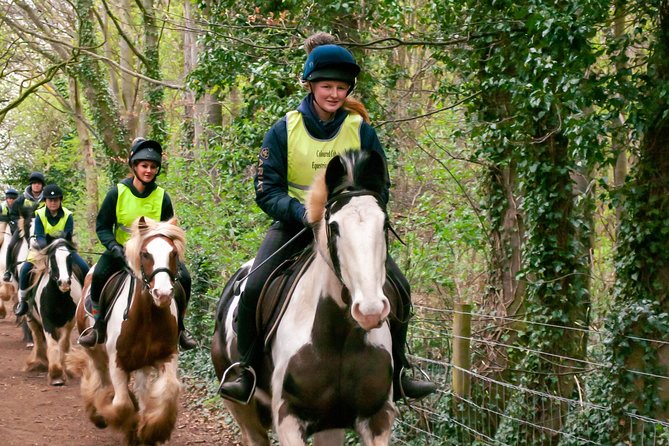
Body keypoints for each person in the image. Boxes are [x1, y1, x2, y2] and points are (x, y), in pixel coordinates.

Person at [218, 39, 437, 403]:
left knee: (399, 285)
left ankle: (400, 371)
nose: (334, 94)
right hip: (297, 225)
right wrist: (303, 214)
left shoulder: (360, 129)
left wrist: (361, 215)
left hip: (350, 231)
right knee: (255, 283)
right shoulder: (283, 130)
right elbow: (266, 189)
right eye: (327, 86)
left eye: (341, 87)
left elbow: (379, 183)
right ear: (310, 86)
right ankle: (248, 369)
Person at [77, 137, 197, 350]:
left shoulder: (162, 197)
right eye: (144, 166)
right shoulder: (117, 193)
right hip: (121, 253)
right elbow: (103, 226)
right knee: (98, 277)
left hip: (153, 257)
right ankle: (98, 326)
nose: (149, 170)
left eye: (153, 167)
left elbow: (169, 230)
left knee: (185, 278)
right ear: (134, 166)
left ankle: (181, 328)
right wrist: (113, 246)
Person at [14, 184, 90, 316]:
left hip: (63, 248)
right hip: (42, 249)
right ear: (45, 201)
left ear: (60, 200)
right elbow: (40, 236)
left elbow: (68, 235)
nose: (53, 202)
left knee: (84, 268)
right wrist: (50, 248)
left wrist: (59, 246)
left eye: (56, 200)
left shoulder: (68, 215)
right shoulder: (39, 214)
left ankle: (88, 299)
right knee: (25, 269)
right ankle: (23, 300)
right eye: (50, 200)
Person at [3, 172, 46, 282]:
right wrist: (20, 223)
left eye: (39, 183)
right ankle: (8, 270)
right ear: (31, 185)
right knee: (11, 245)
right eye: (34, 183)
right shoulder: (21, 199)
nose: (36, 185)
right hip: (24, 226)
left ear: (42, 185)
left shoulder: (46, 199)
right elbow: (13, 214)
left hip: (43, 227)